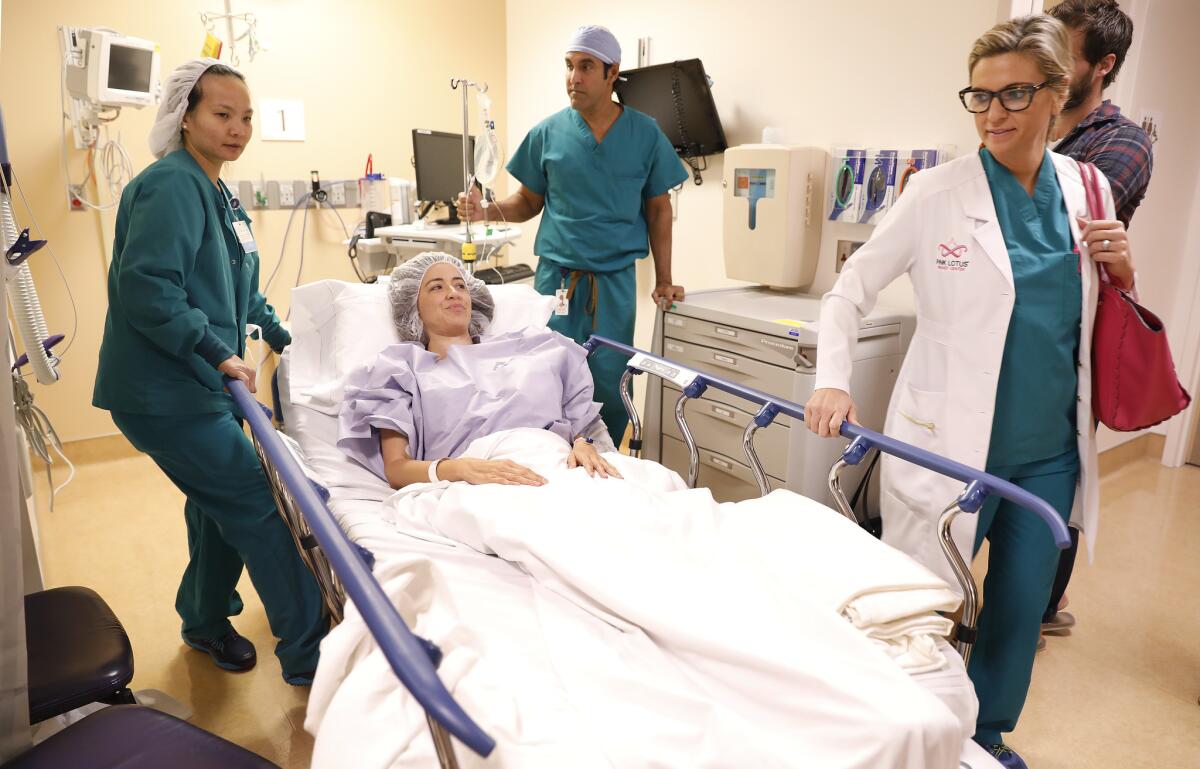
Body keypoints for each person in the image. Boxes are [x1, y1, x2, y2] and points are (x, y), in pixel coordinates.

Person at [803, 16, 1134, 768]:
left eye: (1016, 94)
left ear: (1056, 96)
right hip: (946, 445)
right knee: (918, 608)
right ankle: (899, 736)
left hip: (1047, 451)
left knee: (1018, 614)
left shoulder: (1091, 186)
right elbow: (847, 293)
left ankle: (982, 742)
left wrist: (1125, 274)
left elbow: (1089, 317)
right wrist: (832, 381)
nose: (994, 113)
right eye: (980, 96)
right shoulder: (934, 193)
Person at [92, 59, 326, 685]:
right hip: (164, 391)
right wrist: (215, 350)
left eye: (245, 116)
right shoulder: (171, 185)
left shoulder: (220, 191)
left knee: (215, 508)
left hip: (204, 382)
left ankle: (202, 621)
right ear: (185, 116)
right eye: (221, 114)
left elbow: (237, 287)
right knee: (256, 506)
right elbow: (147, 289)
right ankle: (313, 658)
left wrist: (285, 337)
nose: (237, 128)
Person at [456, 24, 688, 447]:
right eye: (568, 66)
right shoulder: (549, 133)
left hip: (614, 282)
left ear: (612, 73)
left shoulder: (645, 134)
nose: (573, 78)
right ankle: (551, 459)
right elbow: (528, 202)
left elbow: (659, 209)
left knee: (611, 384)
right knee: (547, 376)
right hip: (556, 280)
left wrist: (665, 279)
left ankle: (603, 465)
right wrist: (486, 209)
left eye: (585, 67)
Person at [1041, 0, 1155, 634]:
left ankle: (1042, 607)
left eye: (1065, 52)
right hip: (1013, 324)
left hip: (1071, 333)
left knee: (1061, 471)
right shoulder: (1037, 119)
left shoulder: (1121, 144)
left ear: (1103, 65)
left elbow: (1056, 228)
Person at [337, 252, 620, 488]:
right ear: (412, 307)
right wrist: (459, 469)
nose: (453, 293)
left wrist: (584, 442)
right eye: (437, 287)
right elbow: (397, 469)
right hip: (480, 481)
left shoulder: (533, 346)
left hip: (562, 464)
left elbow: (580, 417)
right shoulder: (401, 370)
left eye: (460, 286)